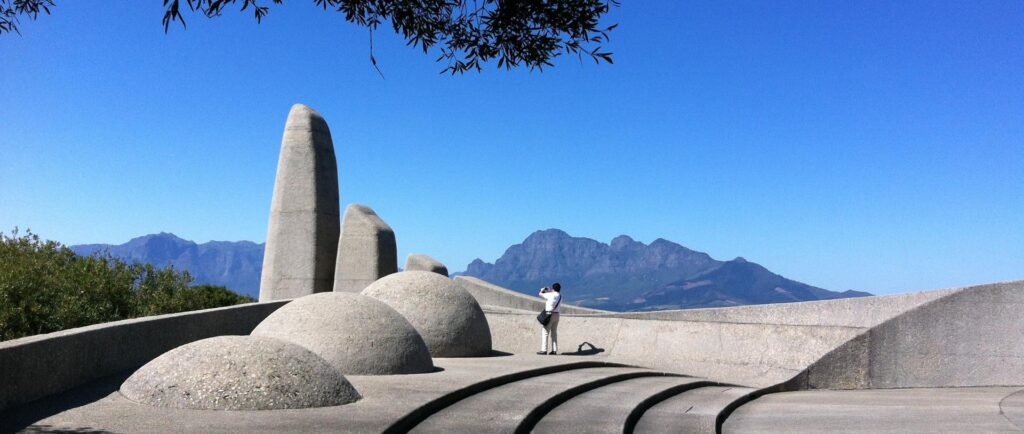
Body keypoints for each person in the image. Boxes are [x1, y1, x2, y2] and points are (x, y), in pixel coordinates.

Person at [537, 283, 562, 355]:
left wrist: (543, 290)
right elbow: (554, 294)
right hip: (557, 315)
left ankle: (544, 350)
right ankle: (554, 350)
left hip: (549, 314)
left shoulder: (550, 294)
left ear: (553, 288)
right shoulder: (560, 296)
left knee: (545, 332)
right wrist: (550, 290)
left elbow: (540, 294)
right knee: (554, 332)